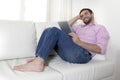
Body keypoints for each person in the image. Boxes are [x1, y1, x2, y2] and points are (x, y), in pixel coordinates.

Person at [13, 8, 110, 72]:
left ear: (92, 14)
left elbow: (100, 49)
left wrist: (79, 42)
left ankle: (38, 63)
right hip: (71, 51)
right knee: (48, 29)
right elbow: (64, 25)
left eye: (86, 14)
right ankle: (39, 59)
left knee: (54, 31)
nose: (84, 16)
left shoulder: (100, 28)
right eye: (82, 15)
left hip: (83, 55)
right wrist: (77, 17)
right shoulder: (79, 27)